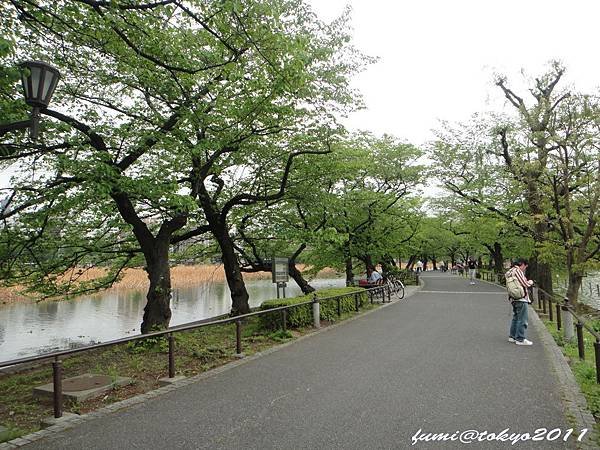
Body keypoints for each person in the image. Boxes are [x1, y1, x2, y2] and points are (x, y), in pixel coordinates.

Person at [507, 259, 535, 346]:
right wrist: (530, 282)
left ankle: (512, 336)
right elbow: (525, 284)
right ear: (522, 264)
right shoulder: (517, 271)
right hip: (521, 298)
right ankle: (520, 338)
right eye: (525, 267)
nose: (524, 269)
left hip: (513, 297)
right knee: (522, 319)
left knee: (515, 318)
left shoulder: (509, 272)